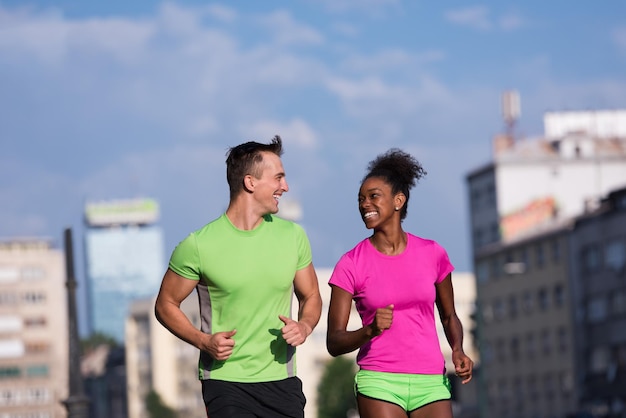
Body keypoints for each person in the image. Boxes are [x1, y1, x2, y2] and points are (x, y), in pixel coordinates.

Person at [155, 135, 322, 418]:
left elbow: (312, 296)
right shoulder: (198, 245)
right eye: (278, 178)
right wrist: (202, 341)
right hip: (225, 381)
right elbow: (165, 305)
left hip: (282, 381)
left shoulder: (293, 237)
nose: (285, 186)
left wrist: (305, 326)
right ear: (250, 182)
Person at [326, 148, 473, 418]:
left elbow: (449, 315)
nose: (364, 205)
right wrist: (369, 331)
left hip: (430, 380)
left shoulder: (433, 253)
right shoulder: (351, 264)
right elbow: (334, 342)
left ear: (398, 201)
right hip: (379, 381)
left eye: (373, 197)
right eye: (360, 199)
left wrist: (457, 349)